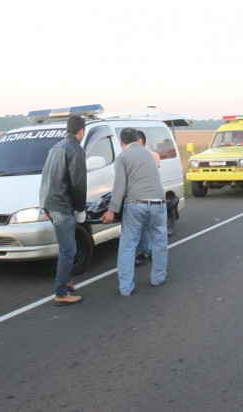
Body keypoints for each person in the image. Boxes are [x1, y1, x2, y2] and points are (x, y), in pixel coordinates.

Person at [102, 127, 168, 295]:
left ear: (121, 142)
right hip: (158, 203)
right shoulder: (150, 155)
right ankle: (158, 278)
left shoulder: (122, 157)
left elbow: (120, 186)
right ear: (137, 139)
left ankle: (125, 287)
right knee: (159, 242)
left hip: (136, 204)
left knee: (128, 245)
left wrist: (112, 210)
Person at [40, 115, 87, 306]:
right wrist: (81, 207)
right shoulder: (75, 149)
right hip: (62, 205)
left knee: (68, 246)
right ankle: (61, 293)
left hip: (50, 203)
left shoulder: (56, 147)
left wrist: (45, 205)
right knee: (68, 249)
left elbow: (46, 178)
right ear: (81, 131)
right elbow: (78, 183)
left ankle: (66, 280)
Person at [135, 130, 161, 266]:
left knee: (144, 227)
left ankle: (146, 251)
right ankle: (152, 251)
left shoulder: (142, 156)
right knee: (152, 226)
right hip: (155, 195)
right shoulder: (155, 155)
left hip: (144, 195)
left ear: (140, 141)